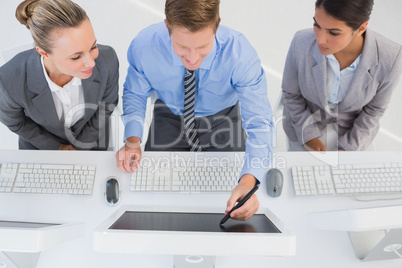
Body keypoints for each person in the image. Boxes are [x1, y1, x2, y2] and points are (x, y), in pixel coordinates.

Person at [116, 0, 273, 221]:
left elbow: (260, 122)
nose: (192, 58)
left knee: (225, 194)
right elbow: (135, 93)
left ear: (217, 27)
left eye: (202, 47)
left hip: (223, 119)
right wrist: (132, 139)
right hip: (169, 115)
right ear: (167, 26)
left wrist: (250, 180)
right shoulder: (144, 46)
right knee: (152, 195)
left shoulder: (240, 55)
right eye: (182, 47)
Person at [282, 0, 402, 151]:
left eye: (333, 33)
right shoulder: (301, 41)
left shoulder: (391, 57)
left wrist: (348, 147)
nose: (320, 39)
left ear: (361, 28)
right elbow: (291, 94)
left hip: (352, 132)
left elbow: (374, 110)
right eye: (317, 25)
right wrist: (309, 136)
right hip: (303, 125)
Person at [0, 0, 119, 150]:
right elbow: (15, 121)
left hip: (92, 140)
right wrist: (56, 147)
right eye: (76, 57)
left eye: (93, 46)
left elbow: (107, 105)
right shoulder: (8, 80)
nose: (91, 63)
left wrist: (81, 146)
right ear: (43, 52)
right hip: (41, 147)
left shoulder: (108, 59)